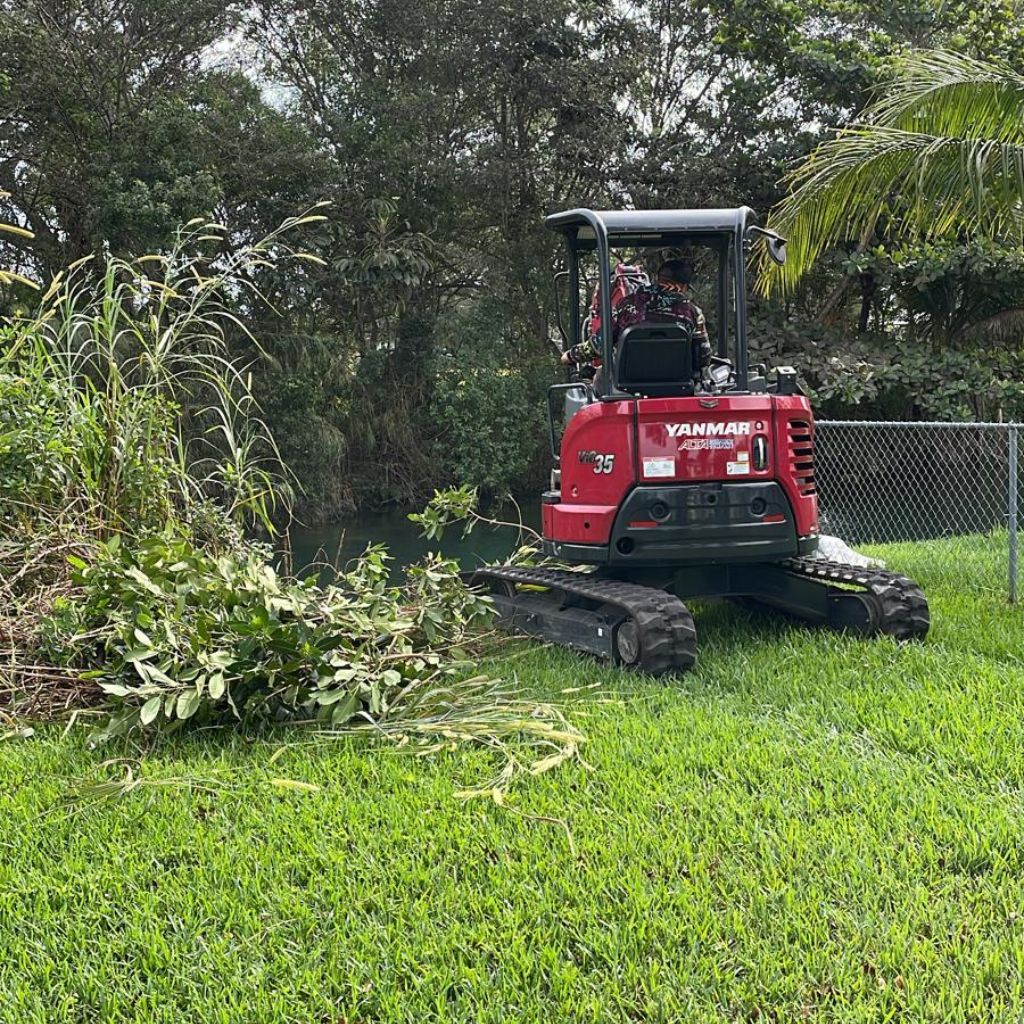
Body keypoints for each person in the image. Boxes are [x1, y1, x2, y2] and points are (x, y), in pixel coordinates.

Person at [560, 257, 711, 372]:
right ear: (683, 286)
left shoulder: (627, 304)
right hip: (679, 387)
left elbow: (599, 345)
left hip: (627, 388)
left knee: (597, 376)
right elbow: (703, 357)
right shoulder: (692, 312)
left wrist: (571, 356)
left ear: (657, 279)